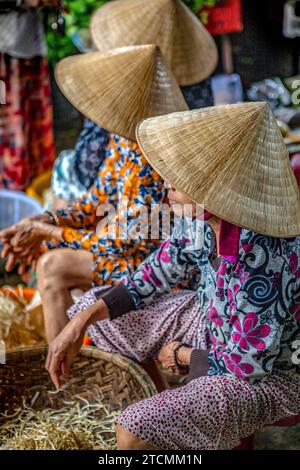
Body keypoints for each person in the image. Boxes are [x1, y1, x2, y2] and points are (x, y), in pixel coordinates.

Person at [45, 102, 300, 450]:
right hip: (215, 324)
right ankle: (170, 415)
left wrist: (183, 356)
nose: (165, 182)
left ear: (213, 188)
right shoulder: (197, 218)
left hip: (271, 374)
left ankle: (170, 427)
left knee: (133, 430)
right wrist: (79, 324)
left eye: (177, 178)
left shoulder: (261, 256)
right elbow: (152, 275)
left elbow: (248, 365)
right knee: (93, 311)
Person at [0, 45, 188, 341]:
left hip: (163, 267)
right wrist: (45, 219)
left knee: (53, 267)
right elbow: (96, 201)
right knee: (48, 254)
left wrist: (48, 232)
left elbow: (120, 245)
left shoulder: (148, 158)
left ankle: (67, 372)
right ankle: (70, 365)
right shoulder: (124, 138)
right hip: (134, 251)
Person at [51, 0, 217, 206]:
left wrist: (54, 229)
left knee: (68, 171)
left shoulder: (131, 135)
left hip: (149, 195)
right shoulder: (198, 84)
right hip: (171, 182)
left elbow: (89, 165)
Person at [0, 0, 55, 189]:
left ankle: (28, 189)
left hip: (28, 48)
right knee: (8, 127)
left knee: (30, 126)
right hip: (5, 53)